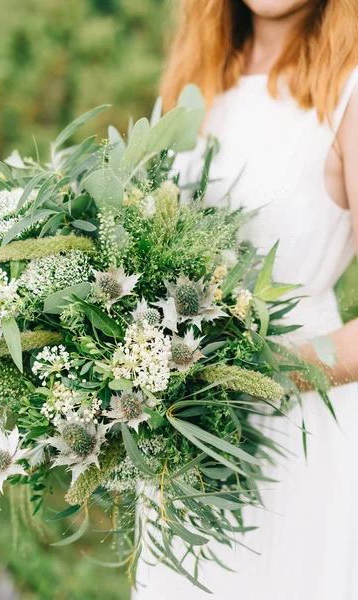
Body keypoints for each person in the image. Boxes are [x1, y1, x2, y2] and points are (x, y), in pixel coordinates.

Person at [133, 1, 358, 599]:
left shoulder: (350, 89)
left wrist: (250, 373)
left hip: (295, 434)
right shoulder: (198, 83)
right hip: (179, 450)